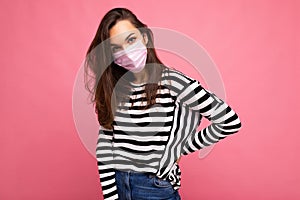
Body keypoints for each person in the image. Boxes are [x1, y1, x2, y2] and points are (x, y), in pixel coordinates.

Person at [84, 7, 242, 200]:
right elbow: (107, 145)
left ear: (145, 37)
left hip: (153, 188)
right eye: (116, 48)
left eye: (131, 39)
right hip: (118, 184)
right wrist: (111, 197)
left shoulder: (172, 82)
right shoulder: (114, 87)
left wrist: (181, 148)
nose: (126, 51)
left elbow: (229, 121)